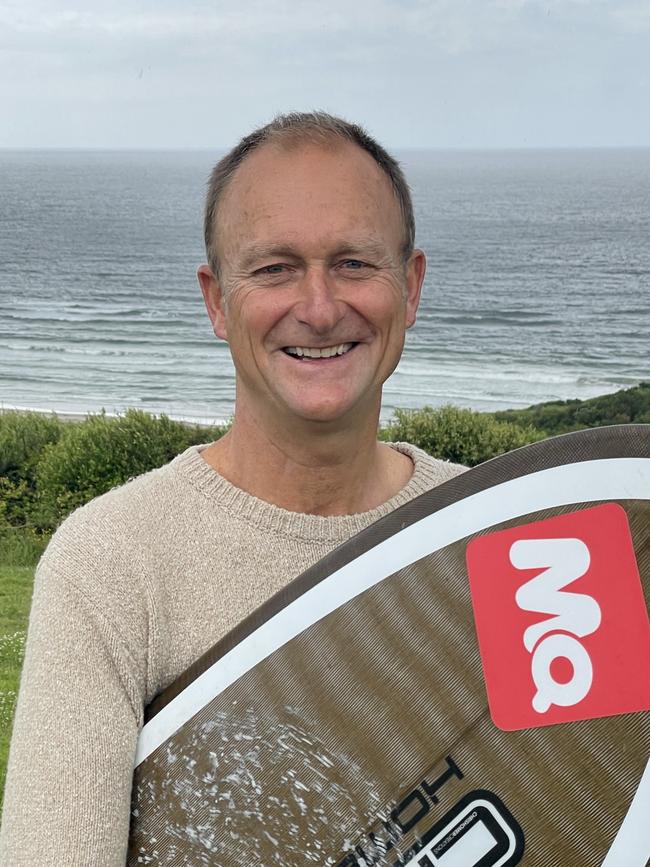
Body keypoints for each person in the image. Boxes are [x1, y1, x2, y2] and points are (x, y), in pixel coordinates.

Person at [0, 112, 465, 864]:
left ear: (409, 288)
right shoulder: (113, 563)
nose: (318, 307)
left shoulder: (506, 536)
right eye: (275, 267)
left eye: (353, 263)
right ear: (217, 300)